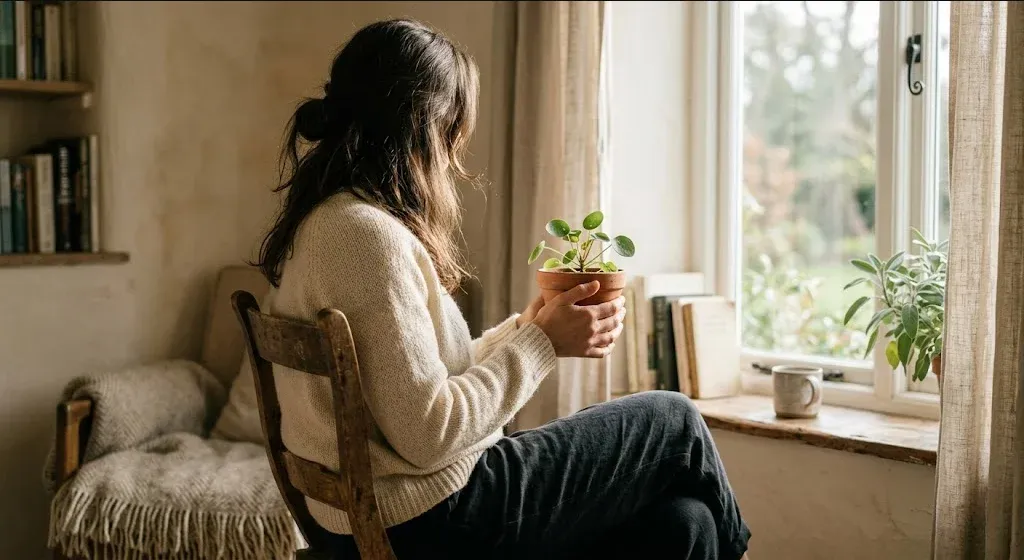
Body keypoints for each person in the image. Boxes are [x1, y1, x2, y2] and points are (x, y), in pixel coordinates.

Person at [255, 18, 751, 560]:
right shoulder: (366, 237)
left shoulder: (328, 225)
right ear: (424, 126)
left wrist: (528, 329)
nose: (452, 156)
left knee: (686, 523)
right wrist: (540, 346)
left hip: (393, 515)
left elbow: (415, 385)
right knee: (675, 419)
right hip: (432, 517)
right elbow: (430, 432)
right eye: (453, 133)